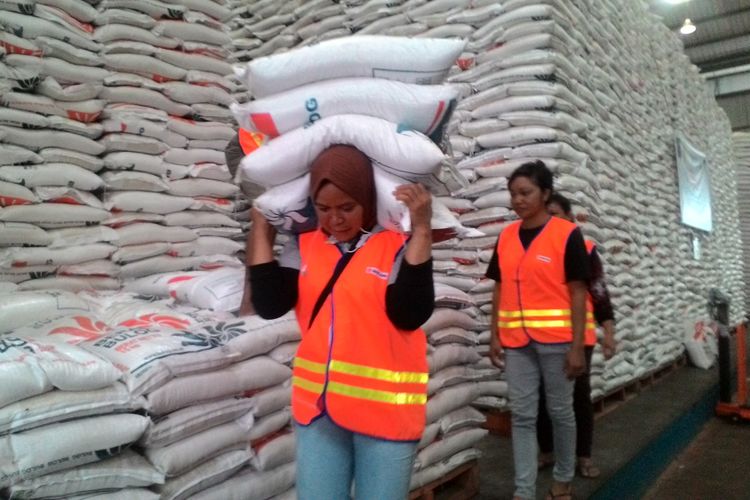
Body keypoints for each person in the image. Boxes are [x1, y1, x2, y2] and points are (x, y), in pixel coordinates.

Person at [248, 144, 435, 500]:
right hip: (318, 412)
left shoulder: (396, 244)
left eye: (347, 207)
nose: (335, 219)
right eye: (324, 209)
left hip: (385, 414)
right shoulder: (304, 245)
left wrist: (422, 230)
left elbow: (410, 313)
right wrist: (261, 226)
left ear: (367, 197)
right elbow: (270, 304)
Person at [486, 160, 590, 500]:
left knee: (560, 412)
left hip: (557, 343)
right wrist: (494, 334)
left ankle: (562, 480)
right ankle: (524, 490)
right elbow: (499, 288)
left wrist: (577, 345)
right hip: (517, 343)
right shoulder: (505, 236)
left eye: (526, 193)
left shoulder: (566, 234)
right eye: (513, 193)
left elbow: (578, 291)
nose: (518, 200)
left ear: (545, 194)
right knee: (523, 416)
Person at [536, 192, 618, 479]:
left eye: (556, 214)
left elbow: (598, 291)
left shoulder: (583, 248)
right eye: (547, 214)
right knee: (543, 395)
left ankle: (583, 456)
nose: (550, 220)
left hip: (577, 339)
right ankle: (546, 451)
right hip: (542, 335)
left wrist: (608, 330)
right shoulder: (535, 248)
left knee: (579, 396)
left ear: (570, 219)